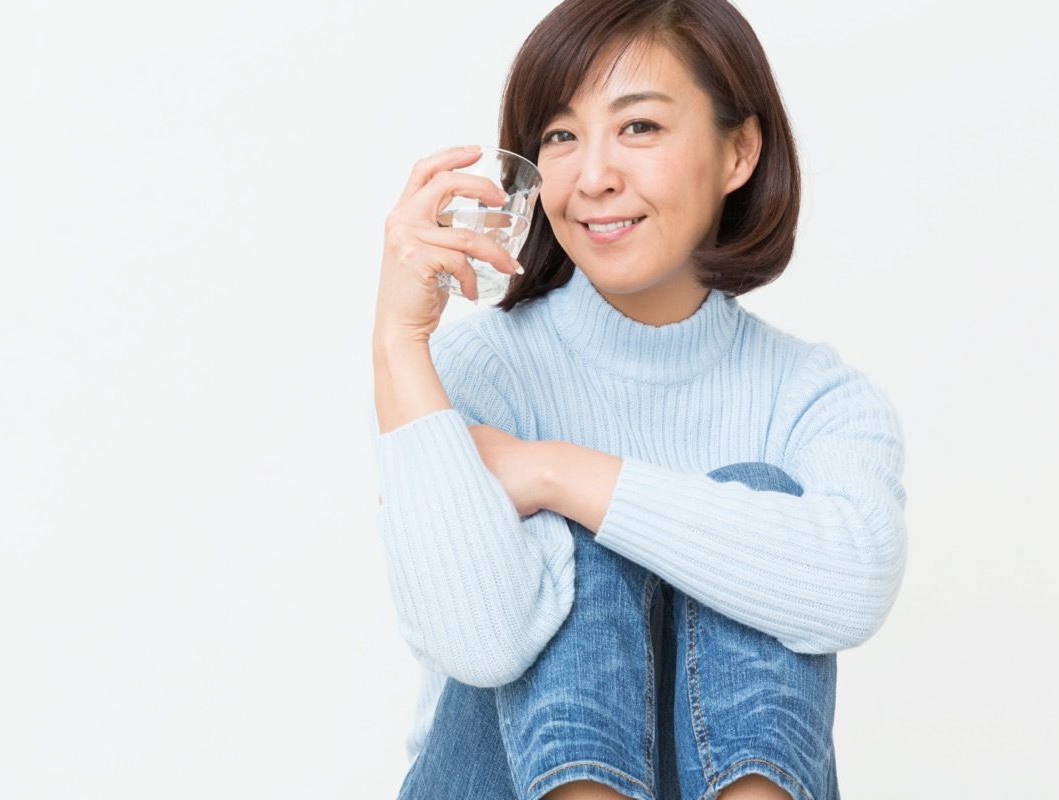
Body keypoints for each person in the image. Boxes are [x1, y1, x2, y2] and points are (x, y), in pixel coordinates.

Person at [373, 1, 907, 798]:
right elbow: (476, 642)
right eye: (560, 136)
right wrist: (397, 344)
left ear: (739, 151)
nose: (593, 178)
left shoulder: (815, 399)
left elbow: (852, 585)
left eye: (639, 127)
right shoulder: (479, 371)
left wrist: (558, 473)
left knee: (756, 500)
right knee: (591, 549)